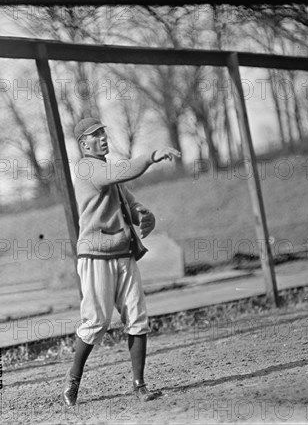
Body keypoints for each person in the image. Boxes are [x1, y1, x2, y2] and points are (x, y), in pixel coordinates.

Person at [62, 117, 181, 405]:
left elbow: (128, 200)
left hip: (123, 254)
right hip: (95, 256)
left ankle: (139, 385)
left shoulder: (106, 172)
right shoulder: (87, 167)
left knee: (138, 318)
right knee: (97, 322)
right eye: (95, 135)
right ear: (83, 144)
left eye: (103, 132)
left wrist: (142, 213)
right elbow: (123, 171)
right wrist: (151, 156)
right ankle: (72, 382)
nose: (103, 137)